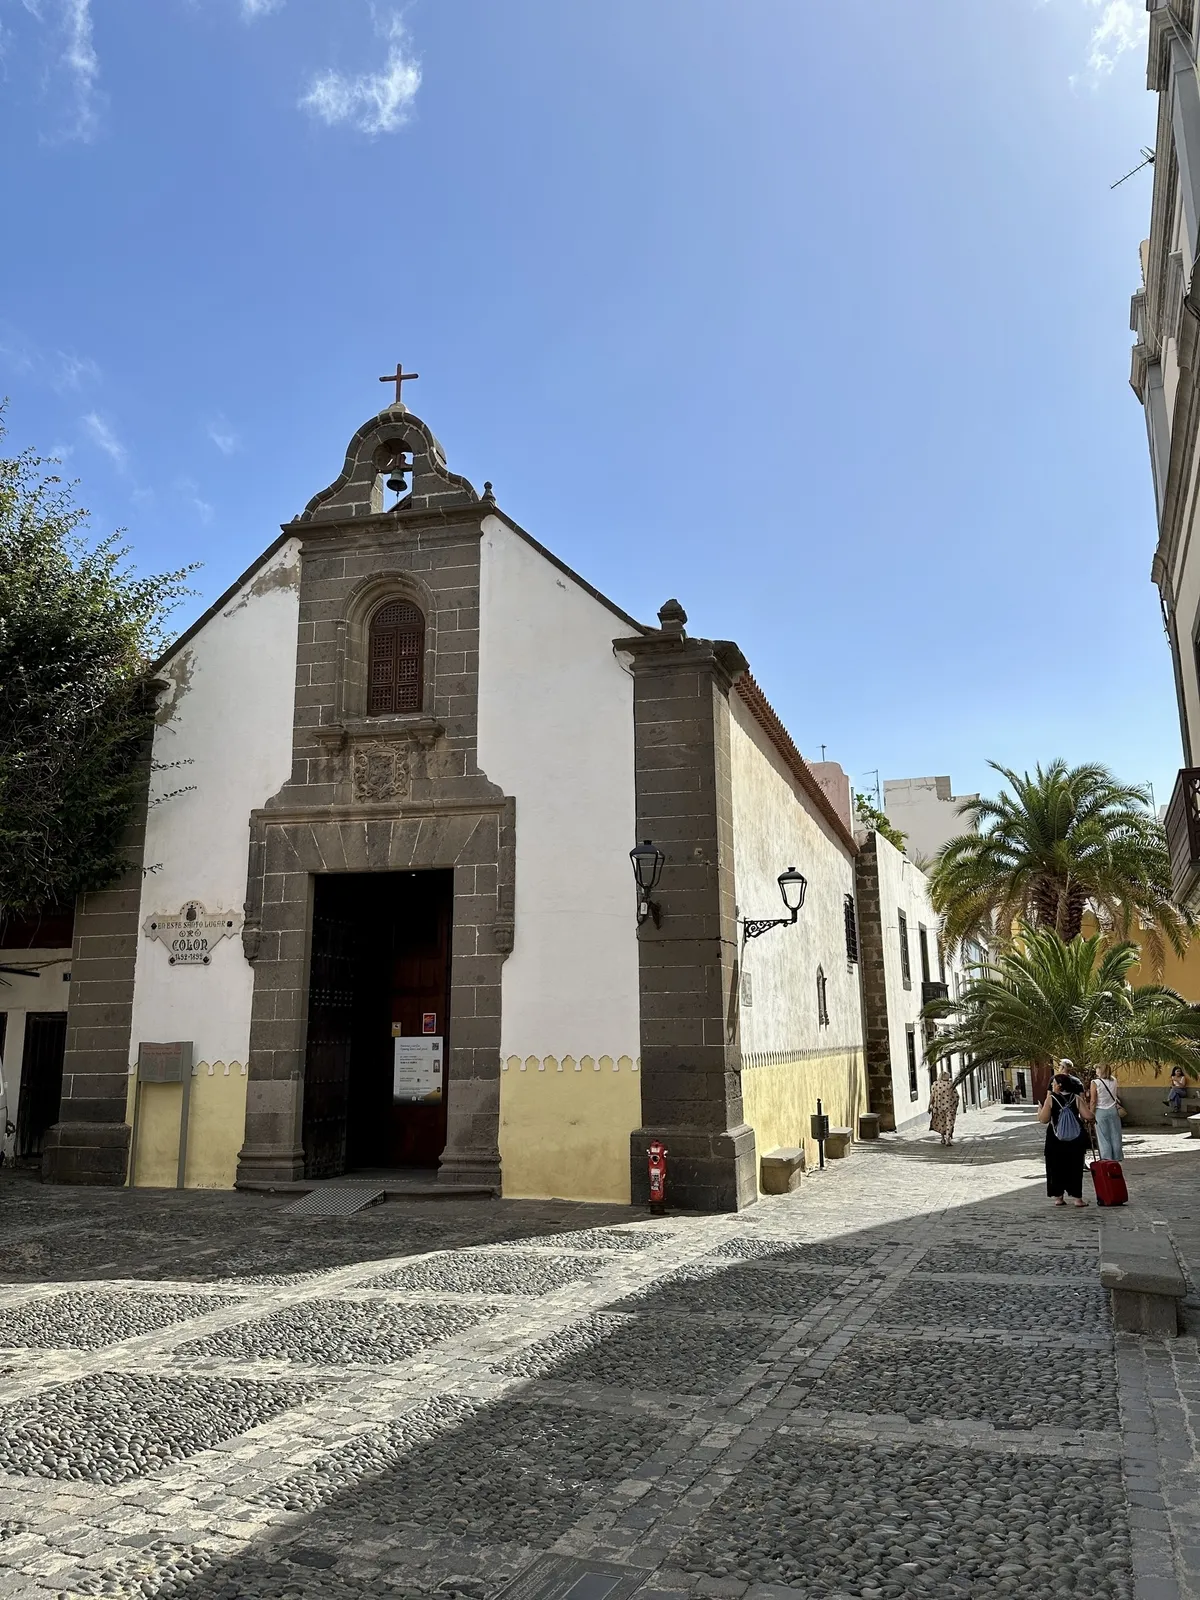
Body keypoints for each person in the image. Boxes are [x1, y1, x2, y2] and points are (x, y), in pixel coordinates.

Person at [1039, 1062, 1090, 1207]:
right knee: (1075, 1166)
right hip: (1075, 1138)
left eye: (1054, 1083)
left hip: (1055, 1138)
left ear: (1059, 1086)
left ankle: (1059, 1198)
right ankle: (1078, 1199)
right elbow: (1088, 1116)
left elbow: (1044, 1119)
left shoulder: (1051, 1099)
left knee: (1056, 1166)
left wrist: (1039, 1110)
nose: (1052, 1085)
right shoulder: (1076, 1098)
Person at [1090, 1068, 1123, 1163]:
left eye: (1097, 1068)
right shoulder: (1114, 1080)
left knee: (1103, 1137)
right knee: (1115, 1135)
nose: (1096, 1070)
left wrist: (1091, 1114)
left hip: (1100, 1111)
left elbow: (1093, 1100)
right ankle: (1117, 1157)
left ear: (1101, 1070)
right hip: (1113, 1110)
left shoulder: (1095, 1082)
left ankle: (1106, 1158)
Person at [928, 1067, 959, 1146]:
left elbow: (932, 1096)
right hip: (950, 1107)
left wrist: (929, 1106)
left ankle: (942, 1138)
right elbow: (956, 1096)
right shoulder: (951, 1084)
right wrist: (955, 1104)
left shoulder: (935, 1084)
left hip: (938, 1107)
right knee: (949, 1123)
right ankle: (948, 1139)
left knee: (941, 1122)